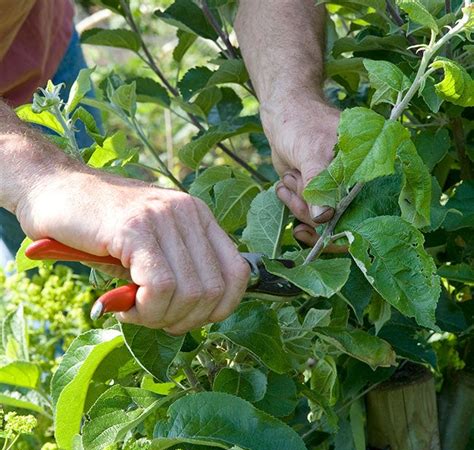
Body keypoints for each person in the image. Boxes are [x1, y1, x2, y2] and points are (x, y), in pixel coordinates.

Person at [0, 0, 340, 334]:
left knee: (90, 265)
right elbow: (44, 181)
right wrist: (46, 177)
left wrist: (291, 101)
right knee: (57, 262)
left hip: (37, 51)